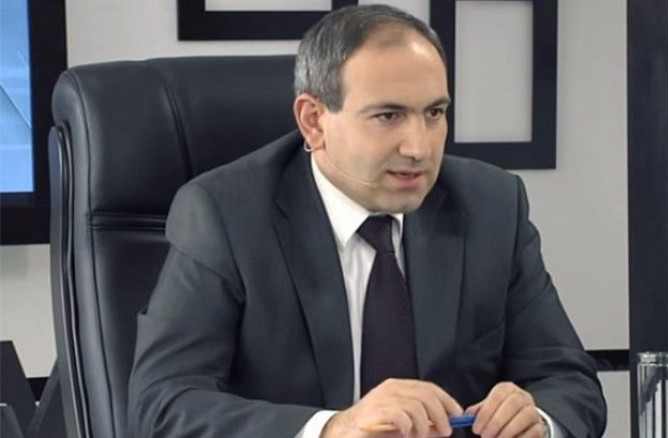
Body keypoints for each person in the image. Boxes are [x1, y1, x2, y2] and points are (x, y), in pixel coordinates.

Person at [127, 4, 606, 438]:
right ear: (314, 120)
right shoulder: (226, 215)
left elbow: (569, 383)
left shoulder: (490, 206)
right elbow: (162, 405)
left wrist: (537, 418)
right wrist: (333, 428)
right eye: (388, 116)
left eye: (434, 113)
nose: (419, 147)